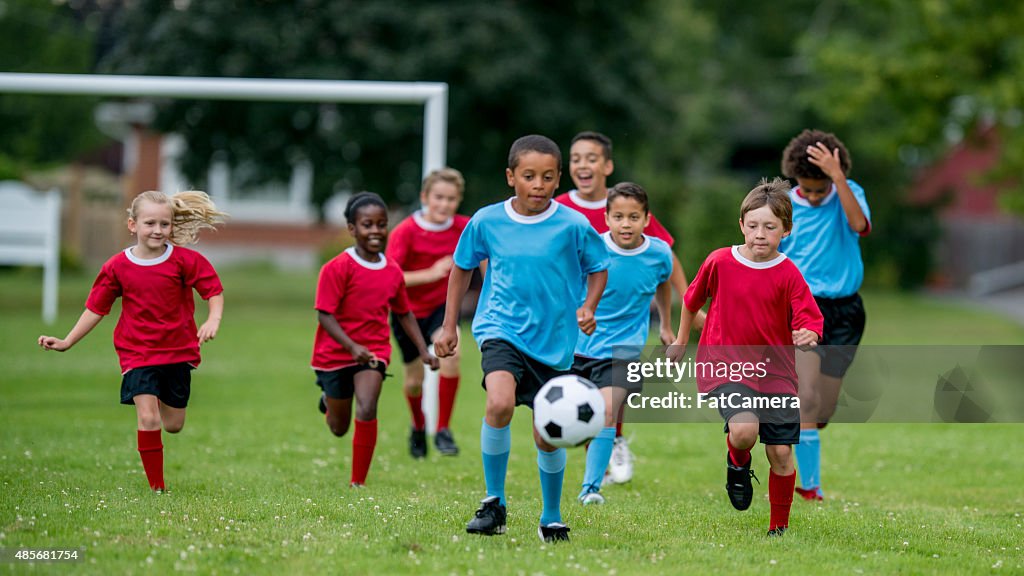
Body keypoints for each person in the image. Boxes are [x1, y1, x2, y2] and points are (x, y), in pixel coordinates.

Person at [434, 134, 609, 543]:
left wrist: (589, 306)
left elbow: (599, 266)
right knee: (498, 404)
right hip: (500, 329)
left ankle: (550, 517)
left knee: (546, 432)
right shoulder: (487, 221)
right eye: (529, 176)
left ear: (558, 179)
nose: (538, 185)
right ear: (511, 176)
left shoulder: (572, 224)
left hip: (554, 341)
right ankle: (493, 502)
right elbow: (462, 268)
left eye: (548, 177)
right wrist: (448, 326)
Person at [37, 190, 227, 493]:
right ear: (132, 225)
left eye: (164, 224)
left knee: (174, 425)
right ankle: (157, 487)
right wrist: (67, 341)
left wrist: (212, 319)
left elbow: (213, 291)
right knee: (148, 416)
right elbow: (96, 308)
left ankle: (163, 406)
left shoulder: (184, 261)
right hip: (136, 353)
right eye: (150, 223)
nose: (157, 230)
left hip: (178, 352)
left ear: (172, 226)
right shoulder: (116, 267)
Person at [669, 177, 823, 536]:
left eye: (769, 227)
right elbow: (692, 300)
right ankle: (737, 462)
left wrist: (808, 333)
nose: (759, 234)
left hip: (776, 372)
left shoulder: (789, 273)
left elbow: (809, 318)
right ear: (741, 225)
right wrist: (679, 341)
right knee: (743, 430)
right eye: (752, 225)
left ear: (785, 230)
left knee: (781, 454)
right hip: (725, 362)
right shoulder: (720, 261)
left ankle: (778, 529)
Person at [557, 130, 704, 484]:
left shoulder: (631, 208)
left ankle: (609, 452)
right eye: (575, 159)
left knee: (610, 398)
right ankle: (595, 445)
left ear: (607, 165)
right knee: (577, 407)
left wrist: (686, 308)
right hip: (576, 324)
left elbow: (665, 263)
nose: (583, 165)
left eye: (591, 158)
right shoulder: (560, 207)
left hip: (626, 329)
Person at [312, 192, 439, 487]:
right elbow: (325, 315)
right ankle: (329, 403)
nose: (375, 231)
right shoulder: (336, 268)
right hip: (334, 354)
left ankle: (358, 483)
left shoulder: (392, 270)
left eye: (381, 224)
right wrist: (351, 346)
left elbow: (404, 313)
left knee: (367, 407)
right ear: (352, 229)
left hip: (373, 352)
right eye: (367, 224)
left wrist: (424, 350)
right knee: (338, 428)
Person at [779, 129, 871, 501]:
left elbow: (859, 226)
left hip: (846, 312)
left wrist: (838, 178)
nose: (814, 197)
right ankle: (809, 486)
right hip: (803, 309)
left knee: (824, 410)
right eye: (808, 189)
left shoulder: (850, 193)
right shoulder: (784, 204)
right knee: (807, 397)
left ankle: (800, 434)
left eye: (821, 189)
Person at [573, 182, 674, 506]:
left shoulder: (659, 253)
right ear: (606, 218)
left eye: (633, 217)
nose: (626, 224)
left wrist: (666, 326)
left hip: (624, 350)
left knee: (606, 411)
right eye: (618, 216)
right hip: (579, 346)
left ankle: (591, 489)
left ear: (646, 219)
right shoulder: (592, 248)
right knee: (575, 419)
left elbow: (664, 284)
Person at [386, 168, 471, 458]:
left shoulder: (464, 227)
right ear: (425, 197)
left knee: (453, 354)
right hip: (407, 314)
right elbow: (391, 278)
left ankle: (443, 429)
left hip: (441, 309)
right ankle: (418, 425)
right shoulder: (406, 231)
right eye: (438, 197)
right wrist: (432, 273)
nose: (444, 204)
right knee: (413, 382)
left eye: (451, 199)